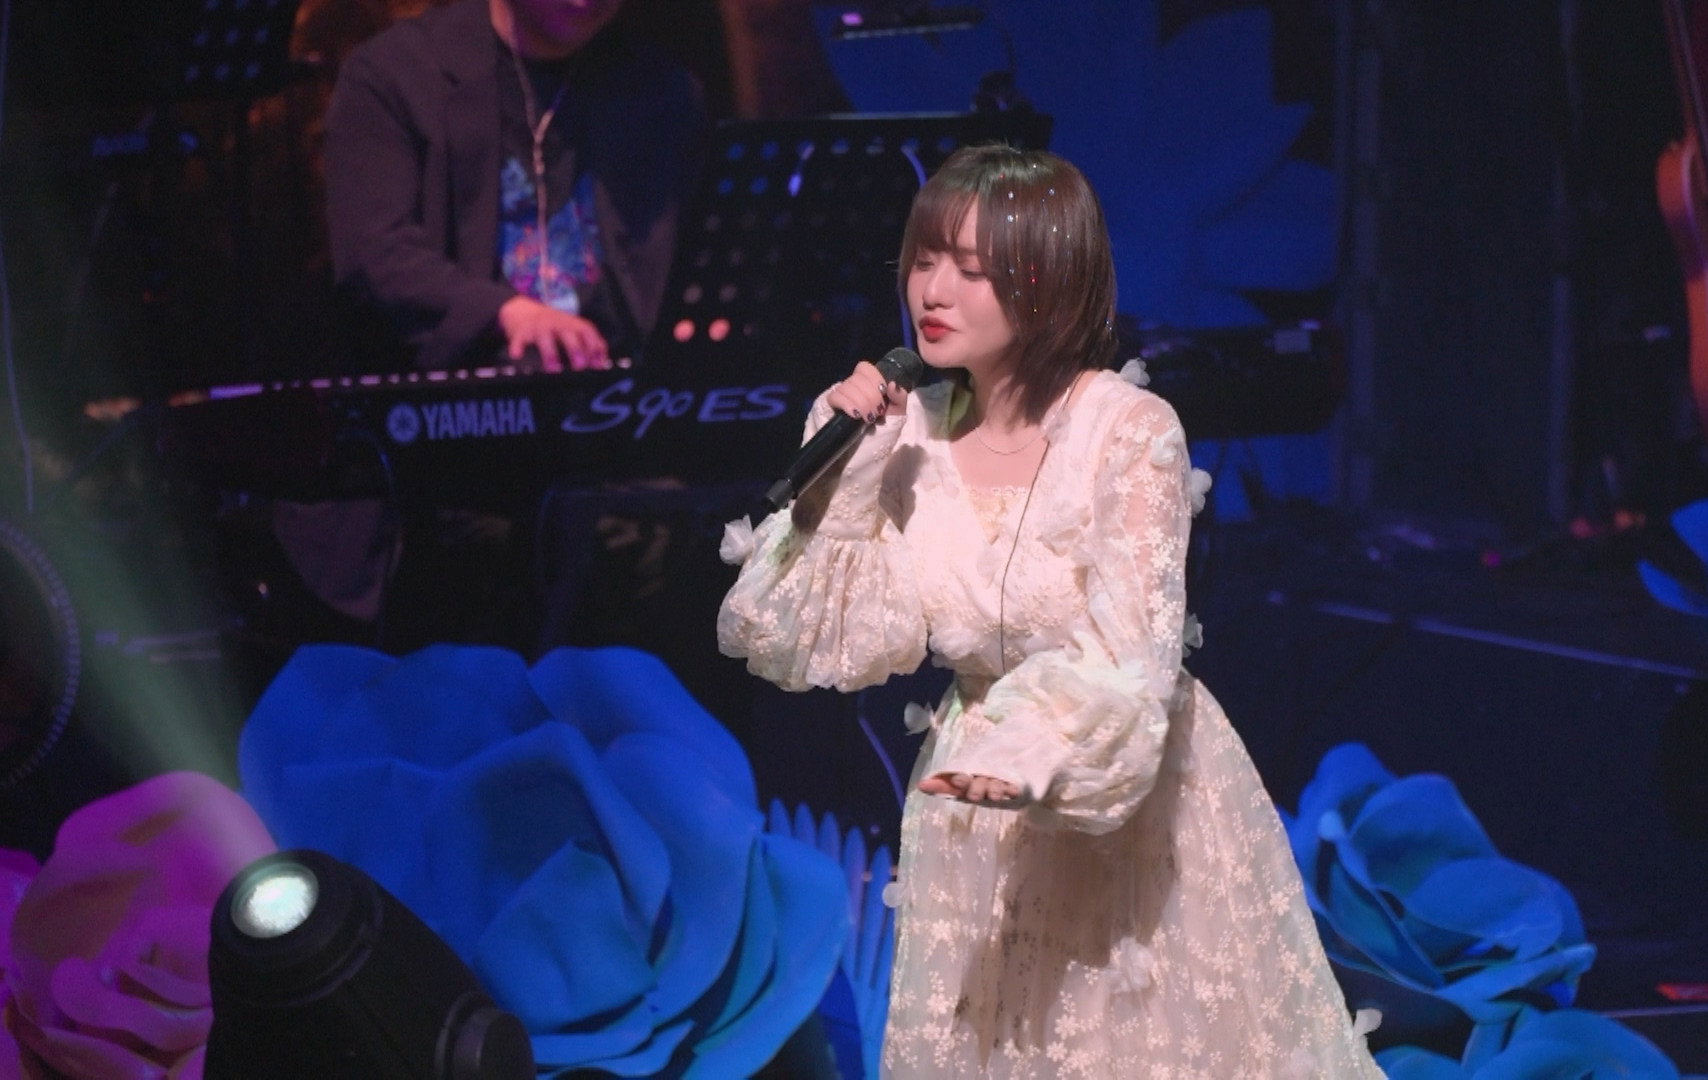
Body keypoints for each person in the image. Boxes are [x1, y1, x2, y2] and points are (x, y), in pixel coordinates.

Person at [718, 145, 1384, 1077]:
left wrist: (1033, 753)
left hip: (1125, 800)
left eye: (970, 269)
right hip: (971, 816)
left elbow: (1134, 649)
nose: (932, 290)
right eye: (923, 260)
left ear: (1045, 280)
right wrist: (852, 470)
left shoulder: (1126, 429)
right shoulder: (907, 433)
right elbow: (808, 637)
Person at [324, 0, 706, 372]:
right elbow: (375, 252)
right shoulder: (395, 75)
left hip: (622, 387)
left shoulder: (662, 90)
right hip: (466, 389)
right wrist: (503, 312)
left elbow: (693, 261)